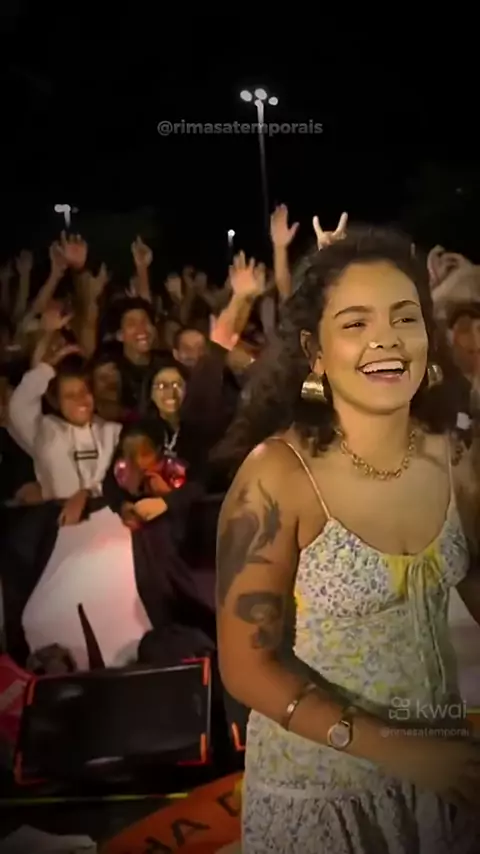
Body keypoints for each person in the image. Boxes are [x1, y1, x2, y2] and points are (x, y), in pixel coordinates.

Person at [216, 226, 480, 852]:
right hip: (323, 800)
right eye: (356, 323)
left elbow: (473, 578)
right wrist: (400, 751)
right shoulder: (277, 476)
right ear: (314, 349)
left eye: (404, 318)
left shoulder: (455, 458)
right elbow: (246, 668)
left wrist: (429, 757)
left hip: (441, 779)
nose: (386, 339)